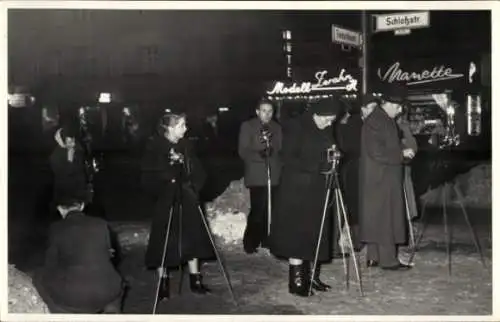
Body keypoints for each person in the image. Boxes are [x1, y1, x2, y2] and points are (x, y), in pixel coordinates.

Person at [269, 98, 342, 297]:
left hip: (318, 189)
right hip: (296, 189)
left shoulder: (325, 127)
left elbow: (329, 148)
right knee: (298, 234)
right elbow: (287, 158)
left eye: (332, 120)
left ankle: (313, 277)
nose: (330, 124)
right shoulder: (296, 127)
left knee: (315, 232)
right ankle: (297, 281)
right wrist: (317, 165)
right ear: (316, 114)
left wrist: (334, 157)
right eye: (327, 119)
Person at [141, 112, 214, 301]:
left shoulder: (187, 146)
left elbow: (198, 171)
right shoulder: (155, 147)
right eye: (181, 125)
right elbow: (148, 177)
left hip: (187, 197)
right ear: (169, 128)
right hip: (166, 199)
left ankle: (195, 280)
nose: (185, 128)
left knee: (192, 237)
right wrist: (169, 177)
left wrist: (193, 186)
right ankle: (163, 283)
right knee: (163, 240)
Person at [33, 198, 125, 313]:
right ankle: (111, 309)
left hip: (75, 295)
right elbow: (110, 255)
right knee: (114, 285)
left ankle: (61, 312)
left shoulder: (56, 228)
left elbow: (50, 264)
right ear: (81, 206)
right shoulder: (101, 223)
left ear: (60, 209)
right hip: (108, 289)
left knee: (38, 277)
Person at [359, 85, 415, 270]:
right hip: (382, 176)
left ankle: (373, 257)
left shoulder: (378, 119)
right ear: (389, 104)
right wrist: (401, 154)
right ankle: (388, 260)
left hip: (378, 176)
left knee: (377, 217)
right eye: (398, 107)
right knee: (387, 218)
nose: (400, 111)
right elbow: (377, 151)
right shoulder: (379, 120)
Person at [238, 99, 282, 254]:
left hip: (273, 173)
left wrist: (274, 151)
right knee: (258, 208)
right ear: (257, 112)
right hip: (257, 174)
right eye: (264, 110)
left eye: (270, 111)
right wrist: (259, 154)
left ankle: (267, 238)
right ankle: (250, 241)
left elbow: (280, 147)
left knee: (271, 208)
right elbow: (243, 151)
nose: (267, 114)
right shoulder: (248, 126)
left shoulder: (276, 127)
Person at [50, 125, 91, 221]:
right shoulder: (55, 156)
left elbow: (81, 170)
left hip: (78, 195)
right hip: (65, 196)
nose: (72, 144)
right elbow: (62, 175)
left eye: (73, 141)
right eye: (68, 142)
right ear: (61, 142)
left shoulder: (77, 151)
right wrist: (69, 160)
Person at [396, 104, 419, 221]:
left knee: (404, 191)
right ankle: (409, 215)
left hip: (401, 165)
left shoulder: (400, 127)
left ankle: (406, 217)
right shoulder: (404, 127)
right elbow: (414, 147)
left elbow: (412, 146)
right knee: (407, 190)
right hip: (405, 164)